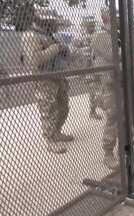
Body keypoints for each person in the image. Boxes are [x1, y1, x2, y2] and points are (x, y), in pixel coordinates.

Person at [22, 7, 74, 154]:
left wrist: (64, 49)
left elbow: (66, 55)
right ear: (44, 22)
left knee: (64, 107)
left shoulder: (51, 35)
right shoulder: (31, 35)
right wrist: (56, 48)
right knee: (48, 111)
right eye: (52, 22)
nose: (55, 25)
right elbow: (35, 60)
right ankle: (50, 140)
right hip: (44, 80)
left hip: (58, 77)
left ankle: (57, 131)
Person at [91, 8, 118, 169]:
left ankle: (125, 149)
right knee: (113, 118)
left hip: (120, 83)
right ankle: (108, 153)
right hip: (110, 85)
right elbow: (116, 55)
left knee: (124, 118)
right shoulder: (101, 36)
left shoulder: (116, 35)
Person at [81, 18, 103, 120]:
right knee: (94, 91)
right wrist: (85, 72)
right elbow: (87, 57)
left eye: (93, 25)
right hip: (91, 69)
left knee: (97, 90)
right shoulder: (88, 38)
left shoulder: (93, 37)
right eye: (91, 25)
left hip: (95, 68)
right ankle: (92, 111)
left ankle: (95, 109)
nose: (92, 27)